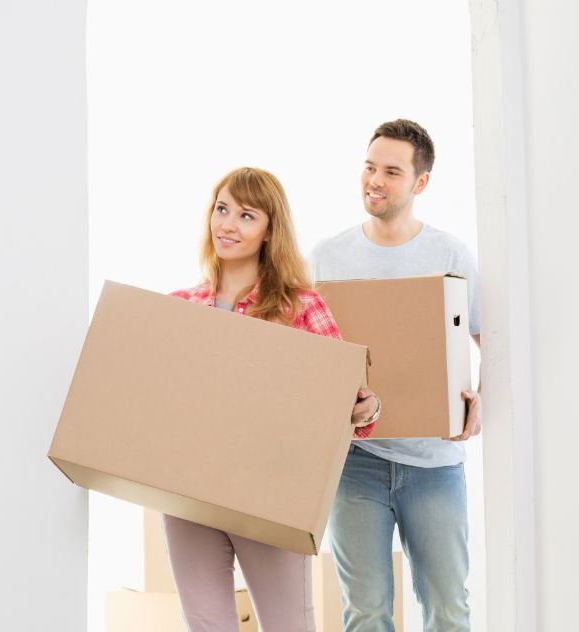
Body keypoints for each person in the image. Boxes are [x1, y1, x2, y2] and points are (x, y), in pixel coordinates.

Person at [164, 167, 380, 632]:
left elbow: (347, 405)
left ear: (268, 231)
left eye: (246, 216)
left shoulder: (300, 308)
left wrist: (365, 407)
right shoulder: (178, 308)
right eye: (222, 209)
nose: (228, 224)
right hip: (190, 496)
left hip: (271, 494)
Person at [315, 119, 481, 632]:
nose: (375, 180)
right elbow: (311, 352)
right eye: (369, 166)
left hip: (434, 461)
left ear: (420, 183)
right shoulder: (327, 257)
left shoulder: (450, 255)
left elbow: (489, 340)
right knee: (365, 615)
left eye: (391, 171)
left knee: (448, 609)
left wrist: (482, 402)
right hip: (355, 463)